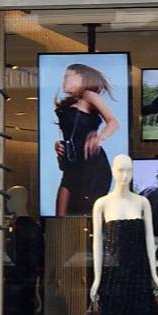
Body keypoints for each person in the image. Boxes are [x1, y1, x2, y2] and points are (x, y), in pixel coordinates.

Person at [53, 63, 119, 216]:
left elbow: (113, 123)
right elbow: (70, 134)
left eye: (67, 76)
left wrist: (99, 138)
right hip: (71, 166)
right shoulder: (70, 104)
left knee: (86, 215)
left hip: (92, 166)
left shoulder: (89, 96)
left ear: (82, 78)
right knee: (61, 217)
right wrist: (58, 144)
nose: (63, 80)